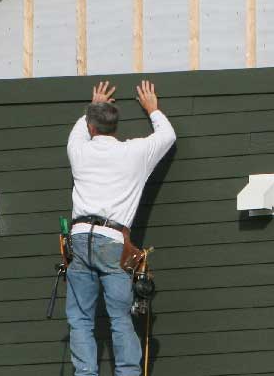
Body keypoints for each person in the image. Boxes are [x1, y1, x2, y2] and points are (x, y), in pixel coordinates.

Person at [65, 79, 177, 376]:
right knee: (120, 317)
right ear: (115, 128)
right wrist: (153, 109)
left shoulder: (79, 151)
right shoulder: (134, 154)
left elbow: (79, 131)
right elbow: (167, 136)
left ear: (92, 127)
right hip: (113, 241)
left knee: (80, 319)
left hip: (79, 239)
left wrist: (96, 104)